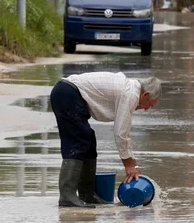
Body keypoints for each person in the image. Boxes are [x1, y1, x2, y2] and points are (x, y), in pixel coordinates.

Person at [49, 72, 162, 208]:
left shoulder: (130, 90)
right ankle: (67, 196)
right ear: (145, 95)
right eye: (149, 105)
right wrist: (129, 164)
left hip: (69, 94)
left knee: (89, 141)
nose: (146, 109)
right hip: (67, 93)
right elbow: (121, 132)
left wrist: (132, 162)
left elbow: (123, 132)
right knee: (78, 141)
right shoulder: (131, 94)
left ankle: (87, 195)